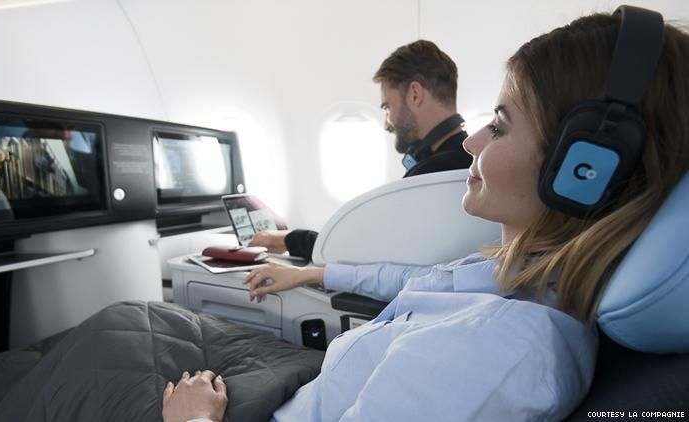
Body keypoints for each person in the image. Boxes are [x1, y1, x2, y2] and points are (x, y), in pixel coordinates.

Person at [163, 8, 689, 422]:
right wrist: (313, 272)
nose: (472, 142)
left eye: (500, 126)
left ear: (584, 169)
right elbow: (422, 280)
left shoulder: (498, 349)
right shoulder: (523, 270)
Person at [250, 39, 471, 261]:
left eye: (387, 107)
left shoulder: (429, 176)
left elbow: (363, 253)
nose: (387, 123)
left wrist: (281, 239)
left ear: (415, 94)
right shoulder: (471, 161)